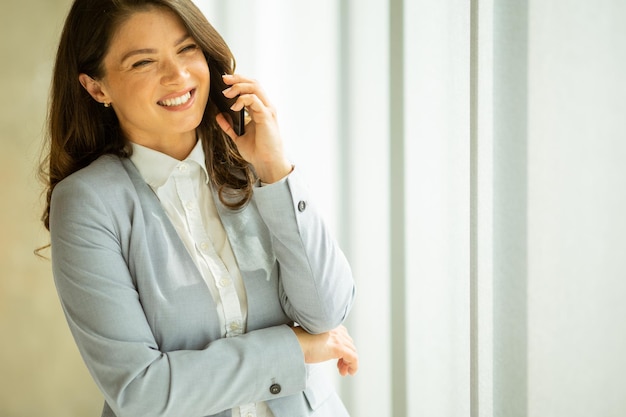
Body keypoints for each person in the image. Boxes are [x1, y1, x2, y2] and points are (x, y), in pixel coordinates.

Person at [39, 1, 358, 416]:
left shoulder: (255, 166)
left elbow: (326, 312)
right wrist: (292, 348)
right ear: (97, 87)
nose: (178, 76)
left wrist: (276, 172)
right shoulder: (88, 203)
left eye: (187, 49)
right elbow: (141, 392)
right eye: (143, 63)